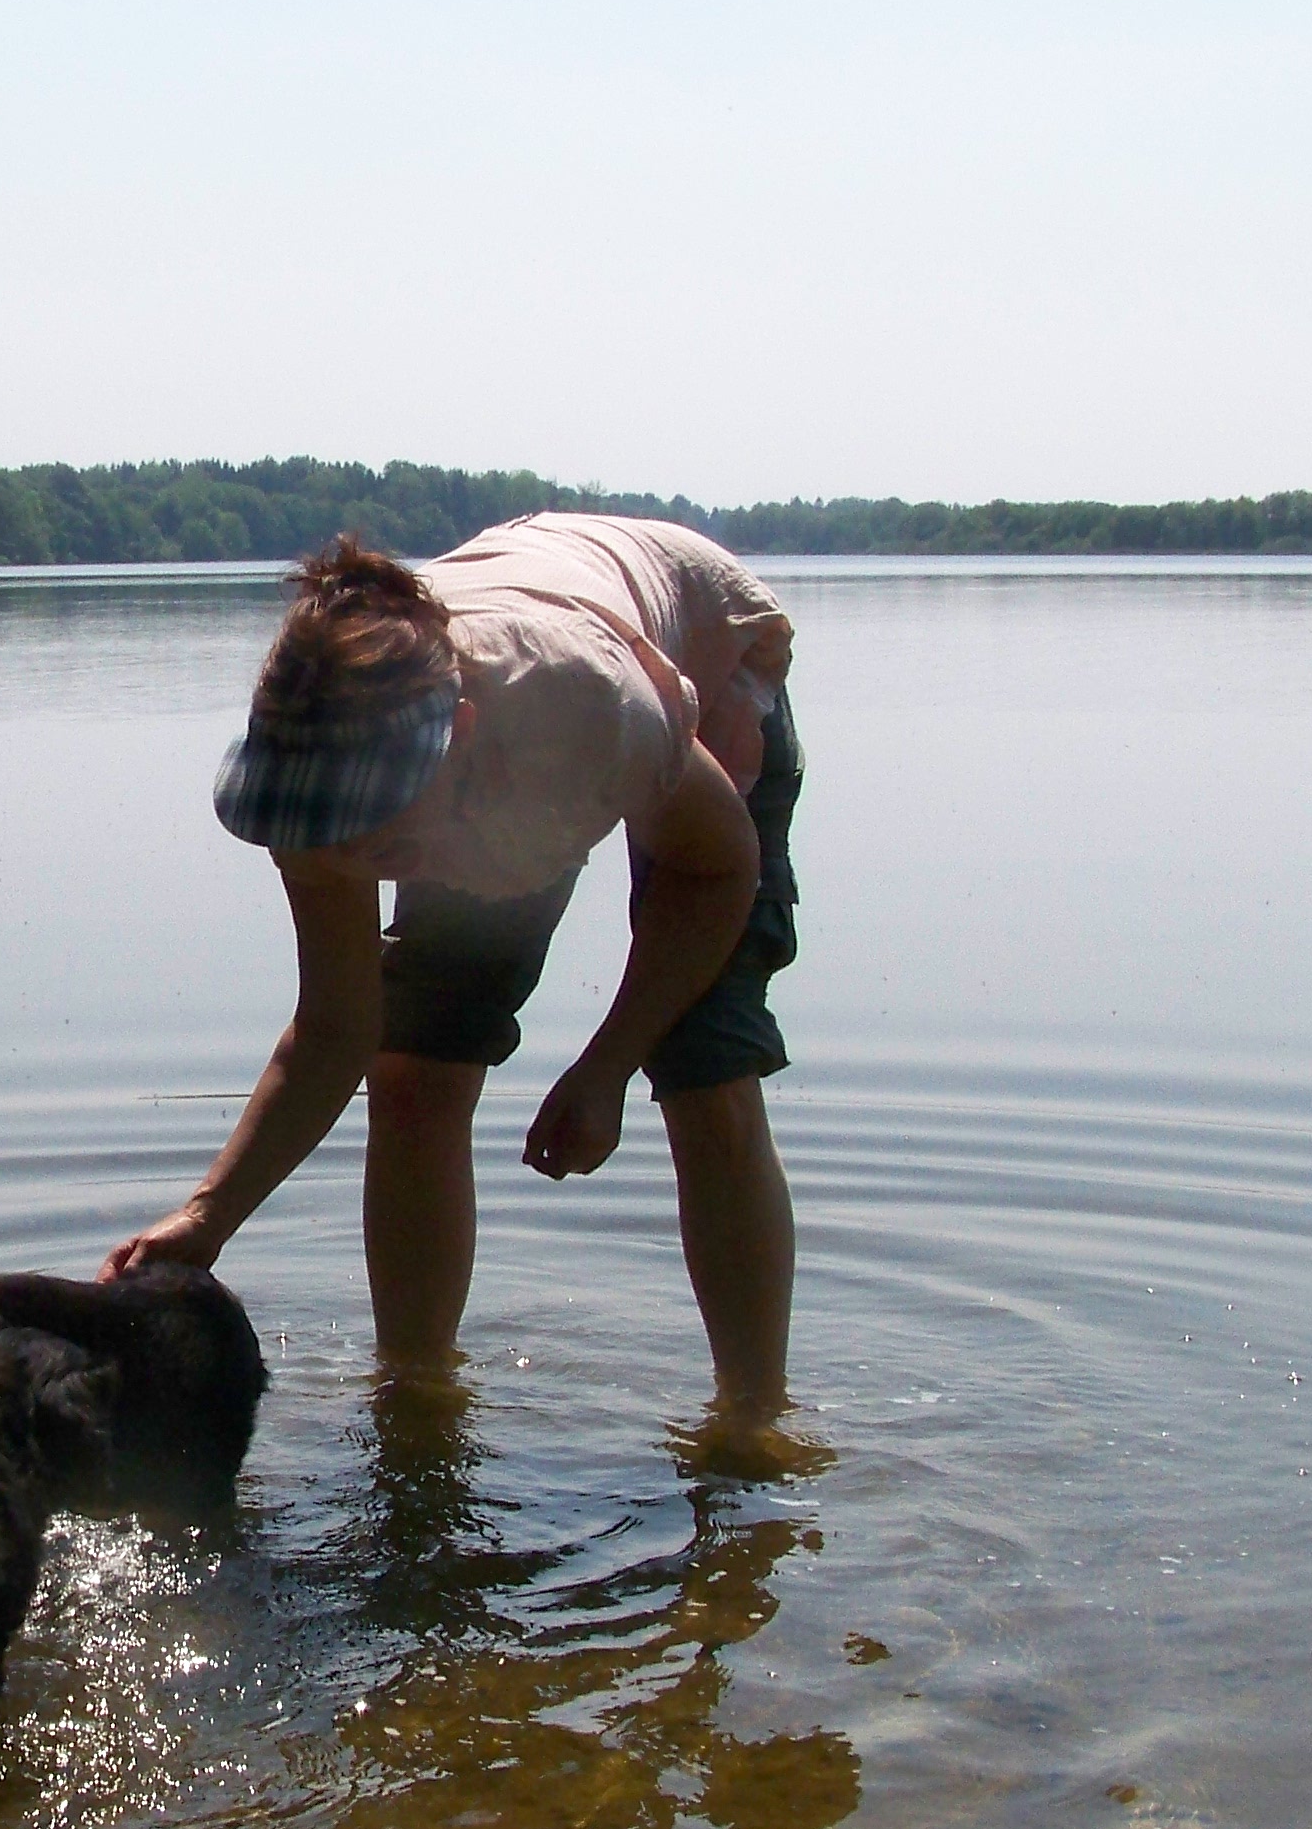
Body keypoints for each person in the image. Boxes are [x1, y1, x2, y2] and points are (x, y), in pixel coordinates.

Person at [99, 514, 806, 1456]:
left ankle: (754, 1423)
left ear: (459, 737)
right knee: (413, 1067)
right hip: (502, 781)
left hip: (693, 673)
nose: (352, 859)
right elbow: (335, 1031)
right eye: (335, 831)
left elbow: (719, 870)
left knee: (705, 1069)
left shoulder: (591, 710)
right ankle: (419, 1400)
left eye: (375, 830)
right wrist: (207, 1217)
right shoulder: (312, 796)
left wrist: (607, 1067)